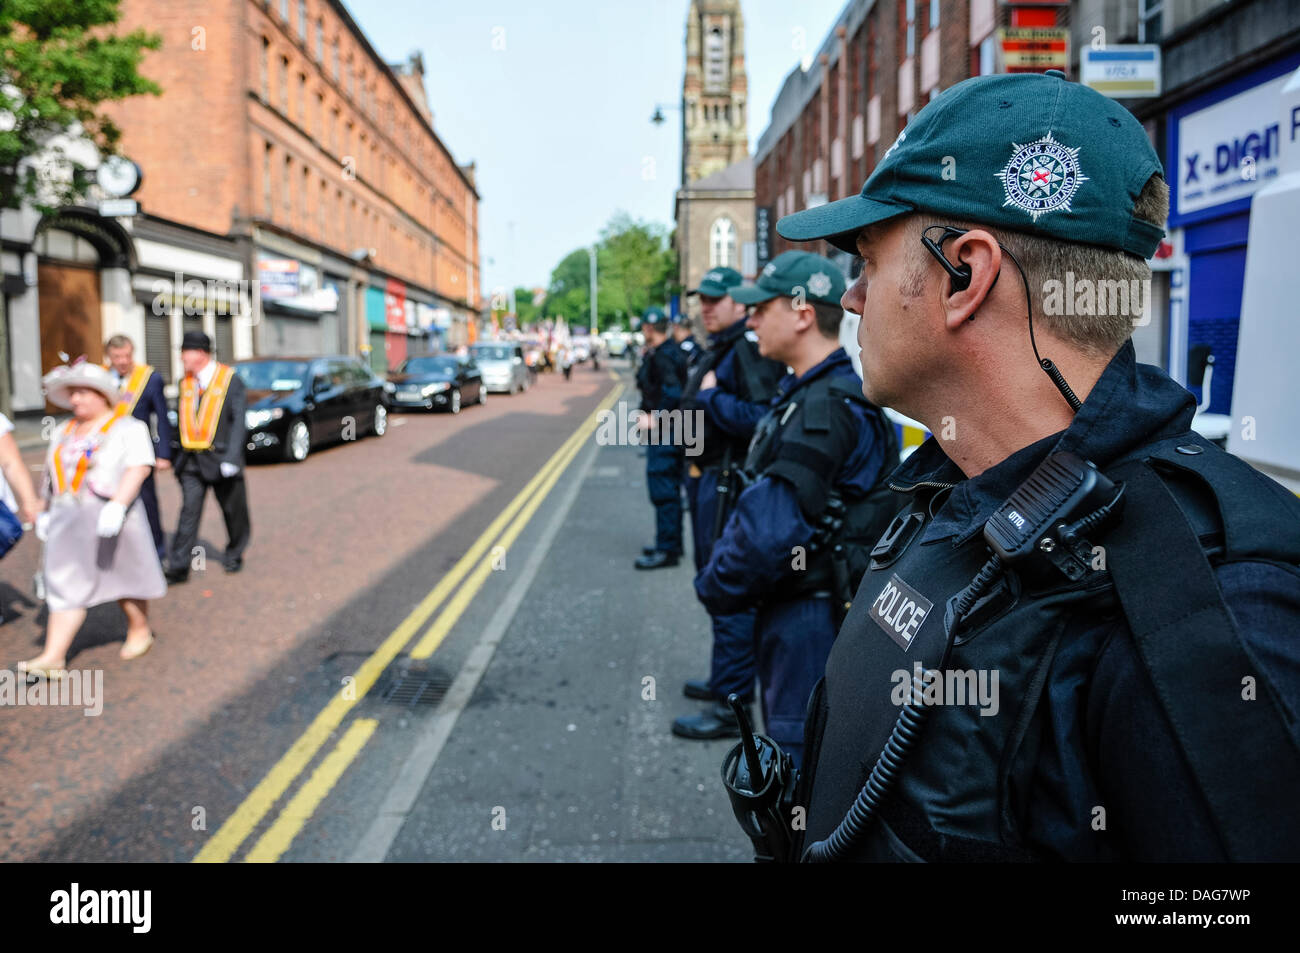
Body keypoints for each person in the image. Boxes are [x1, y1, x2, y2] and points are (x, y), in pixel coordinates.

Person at [773, 69, 1300, 862]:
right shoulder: (953, 482)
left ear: (965, 275)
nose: (850, 299)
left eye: (867, 261)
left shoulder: (1210, 603)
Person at [695, 252, 895, 766]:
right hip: (805, 607)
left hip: (809, 615)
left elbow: (769, 533)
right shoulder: (811, 394)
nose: (752, 318)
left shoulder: (822, 407)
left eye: (762, 308)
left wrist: (714, 586)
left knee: (796, 766)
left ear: (804, 314)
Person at [671, 266, 789, 740]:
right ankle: (726, 681)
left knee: (730, 590)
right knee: (715, 584)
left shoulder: (745, 348)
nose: (706, 306)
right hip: (704, 479)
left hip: (726, 483)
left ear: (740, 304)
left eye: (717, 299)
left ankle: (730, 707)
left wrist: (714, 399)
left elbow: (763, 418)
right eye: (703, 299)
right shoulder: (720, 346)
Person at [15, 361, 165, 678]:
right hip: (68, 518)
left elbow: (139, 466)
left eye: (83, 393)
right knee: (63, 581)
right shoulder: (62, 431)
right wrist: (44, 509)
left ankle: (140, 630)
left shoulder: (127, 427)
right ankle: (53, 656)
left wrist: (118, 505)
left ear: (102, 395)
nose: (76, 401)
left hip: (112, 517)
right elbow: (52, 475)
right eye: (73, 394)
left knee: (126, 576)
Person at [165, 331, 250, 582]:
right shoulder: (186, 382)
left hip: (222, 460)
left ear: (201, 353)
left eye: (185, 352)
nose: (181, 357)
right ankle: (179, 567)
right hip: (191, 462)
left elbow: (238, 423)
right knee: (188, 513)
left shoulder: (230, 380)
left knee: (233, 512)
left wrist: (233, 459)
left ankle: (235, 553)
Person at [104, 334, 173, 561]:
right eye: (117, 357)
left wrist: (164, 454)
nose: (123, 361)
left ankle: (157, 551)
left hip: (139, 453)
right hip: (108, 454)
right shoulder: (101, 378)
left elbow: (161, 417)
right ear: (109, 357)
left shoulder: (149, 378)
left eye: (127, 356)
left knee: (147, 501)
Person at [633, 307, 686, 569]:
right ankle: (670, 543)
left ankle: (667, 550)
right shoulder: (664, 352)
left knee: (663, 489)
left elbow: (674, 393)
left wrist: (655, 419)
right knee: (668, 489)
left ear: (648, 329)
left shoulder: (664, 356)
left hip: (667, 432)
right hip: (672, 430)